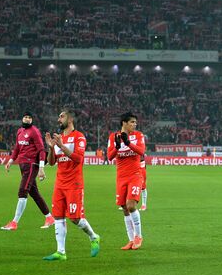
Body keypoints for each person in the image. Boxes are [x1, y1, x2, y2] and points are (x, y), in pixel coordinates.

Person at [43, 110, 100, 261]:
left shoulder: (79, 137)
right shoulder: (59, 138)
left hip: (74, 184)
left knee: (75, 218)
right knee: (58, 216)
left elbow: (78, 159)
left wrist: (61, 146)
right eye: (58, 116)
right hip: (59, 184)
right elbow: (51, 162)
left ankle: (94, 237)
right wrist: (50, 147)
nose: (58, 119)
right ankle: (61, 252)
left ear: (70, 119)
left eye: (61, 116)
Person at [1, 111, 54, 230]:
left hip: (31, 165)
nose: (28, 119)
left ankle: (14, 222)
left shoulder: (34, 131)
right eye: (26, 117)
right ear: (22, 118)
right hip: (22, 165)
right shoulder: (20, 131)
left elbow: (41, 150)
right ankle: (49, 218)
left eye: (30, 117)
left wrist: (41, 168)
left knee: (22, 191)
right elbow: (17, 148)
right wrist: (10, 161)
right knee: (34, 193)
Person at [107, 112, 146, 250]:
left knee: (131, 206)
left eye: (135, 122)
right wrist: (117, 147)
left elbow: (141, 151)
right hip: (121, 177)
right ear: (124, 123)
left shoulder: (138, 135)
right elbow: (109, 157)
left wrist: (128, 143)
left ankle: (138, 236)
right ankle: (130, 240)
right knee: (124, 208)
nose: (135, 124)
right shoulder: (113, 137)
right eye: (132, 122)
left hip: (135, 175)